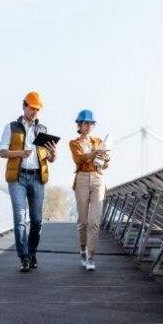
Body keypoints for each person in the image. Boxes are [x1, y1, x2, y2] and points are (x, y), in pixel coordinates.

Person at [0, 91, 58, 272]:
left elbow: (50, 158)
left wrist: (54, 153)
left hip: (37, 178)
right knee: (19, 219)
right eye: (32, 108)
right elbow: (1, 152)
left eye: (37, 110)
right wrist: (19, 153)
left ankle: (32, 252)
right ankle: (23, 257)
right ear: (24, 106)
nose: (34, 112)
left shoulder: (43, 130)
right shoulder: (11, 127)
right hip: (18, 178)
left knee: (37, 220)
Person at [69, 109, 109, 271]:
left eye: (91, 123)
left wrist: (105, 159)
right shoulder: (74, 143)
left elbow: (104, 165)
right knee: (83, 221)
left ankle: (91, 255)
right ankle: (82, 251)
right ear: (79, 125)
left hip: (98, 178)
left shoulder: (98, 141)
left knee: (95, 221)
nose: (88, 126)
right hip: (82, 180)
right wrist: (94, 153)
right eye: (86, 123)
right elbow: (79, 159)